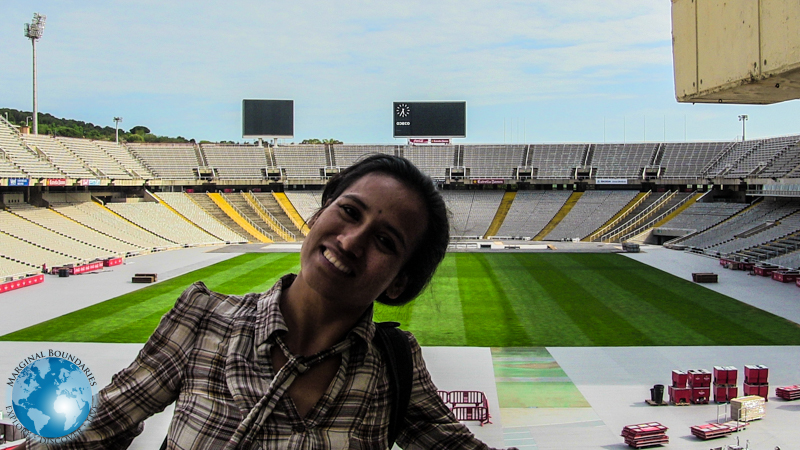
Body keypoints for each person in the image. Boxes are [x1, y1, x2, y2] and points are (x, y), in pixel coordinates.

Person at [26, 154, 515, 449]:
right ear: (320, 213)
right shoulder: (203, 319)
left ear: (398, 283)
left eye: (385, 241)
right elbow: (96, 427)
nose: (350, 241)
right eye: (348, 211)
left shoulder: (394, 366)